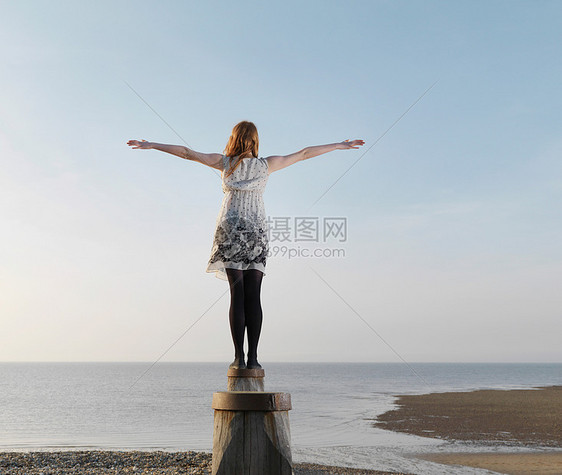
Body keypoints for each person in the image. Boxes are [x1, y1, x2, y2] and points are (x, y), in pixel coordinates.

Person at [127, 121, 364, 370]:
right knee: (254, 297)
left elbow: (187, 153)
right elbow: (304, 154)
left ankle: (239, 358)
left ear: (234, 139)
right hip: (256, 232)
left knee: (237, 296)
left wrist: (152, 145)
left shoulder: (225, 163)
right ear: (255, 140)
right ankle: (253, 359)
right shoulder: (266, 165)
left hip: (230, 231)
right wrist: (339, 145)